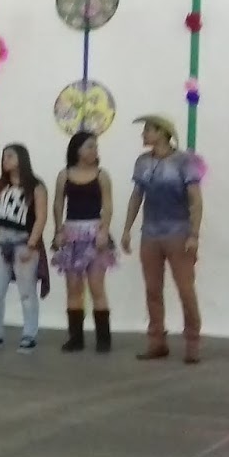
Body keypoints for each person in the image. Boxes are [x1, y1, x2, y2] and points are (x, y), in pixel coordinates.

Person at [121, 115, 203, 363]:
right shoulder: (143, 162)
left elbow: (195, 200)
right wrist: (127, 229)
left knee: (185, 289)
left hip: (178, 232)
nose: (144, 134)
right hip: (151, 233)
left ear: (162, 133)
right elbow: (137, 196)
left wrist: (194, 234)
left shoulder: (184, 161)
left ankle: (192, 341)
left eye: (148, 130)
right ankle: (156, 340)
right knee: (152, 289)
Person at [51, 131, 116, 352]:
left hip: (94, 231)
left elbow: (108, 205)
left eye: (95, 146)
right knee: (73, 287)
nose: (94, 150)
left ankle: (103, 339)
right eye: (89, 146)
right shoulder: (64, 175)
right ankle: (75, 338)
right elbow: (58, 204)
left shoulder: (101, 175)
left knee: (97, 286)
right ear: (77, 150)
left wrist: (104, 231)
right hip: (72, 233)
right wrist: (58, 230)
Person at [0, 144, 50, 352]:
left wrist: (32, 244)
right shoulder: (1, 186)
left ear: (22, 158)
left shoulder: (36, 187)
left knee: (27, 292)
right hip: (0, 242)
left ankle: (29, 334)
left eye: (10, 156)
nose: (6, 160)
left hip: (23, 242)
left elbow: (41, 217)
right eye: (4, 157)